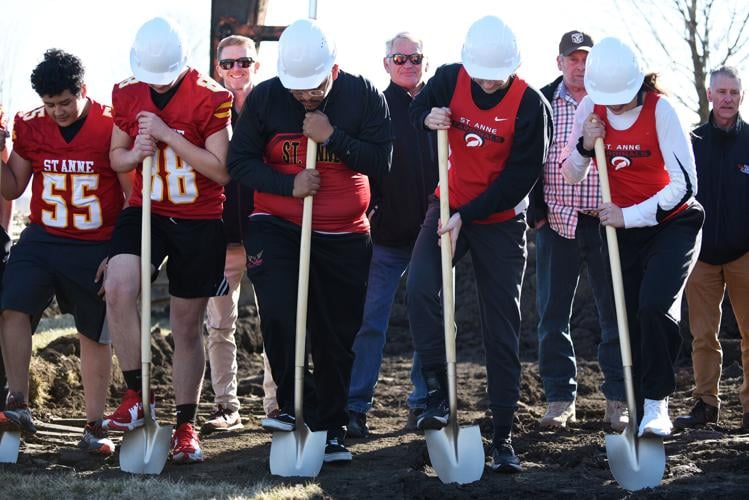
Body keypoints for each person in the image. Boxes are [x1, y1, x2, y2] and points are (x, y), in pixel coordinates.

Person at [227, 18, 391, 464]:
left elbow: (382, 161)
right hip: (276, 224)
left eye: (314, 86)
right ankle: (297, 404)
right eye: (297, 88)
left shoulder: (363, 96)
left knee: (335, 335)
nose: (304, 95)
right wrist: (289, 185)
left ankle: (332, 426)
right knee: (279, 313)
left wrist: (332, 137)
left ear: (332, 69)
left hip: (343, 234)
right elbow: (239, 162)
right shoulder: (264, 98)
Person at [408, 15, 551, 473]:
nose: (487, 81)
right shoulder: (451, 77)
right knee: (420, 287)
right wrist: (426, 116)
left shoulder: (532, 106)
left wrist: (465, 216)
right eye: (480, 72)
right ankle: (436, 393)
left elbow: (517, 182)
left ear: (513, 66)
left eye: (496, 74)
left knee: (501, 325)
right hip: (448, 203)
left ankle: (503, 435)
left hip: (501, 221)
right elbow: (417, 112)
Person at [102, 17, 232, 465]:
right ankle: (137, 391)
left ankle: (184, 423)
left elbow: (220, 170)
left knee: (184, 323)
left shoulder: (211, 96)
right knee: (118, 285)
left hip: (198, 217)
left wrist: (167, 135)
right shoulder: (127, 91)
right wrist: (135, 153)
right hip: (146, 211)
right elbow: (115, 154)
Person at [561, 37, 703, 438]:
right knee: (629, 324)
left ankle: (658, 402)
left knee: (654, 307)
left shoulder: (662, 111)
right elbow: (571, 174)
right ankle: (642, 415)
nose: (616, 105)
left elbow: (687, 184)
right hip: (622, 232)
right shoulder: (590, 107)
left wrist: (628, 215)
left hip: (672, 224)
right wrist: (586, 146)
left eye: (621, 97)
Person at [0, 49, 130, 455]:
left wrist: (120, 250)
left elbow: (133, 195)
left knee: (93, 332)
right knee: (12, 305)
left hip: (95, 242)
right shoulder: (30, 123)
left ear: (83, 91)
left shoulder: (110, 123)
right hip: (44, 236)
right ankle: (18, 402)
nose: (57, 111)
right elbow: (11, 188)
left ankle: (94, 425)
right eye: (50, 103)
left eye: (65, 102)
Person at [527, 30, 626, 430]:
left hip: (604, 221)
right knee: (552, 315)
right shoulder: (542, 102)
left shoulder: (612, 101)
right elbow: (529, 155)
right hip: (557, 219)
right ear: (560, 62)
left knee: (614, 313)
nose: (580, 66)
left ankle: (618, 398)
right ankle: (559, 399)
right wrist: (535, 209)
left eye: (586, 59)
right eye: (573, 59)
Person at [346, 31, 436, 438]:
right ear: (386, 64)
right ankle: (355, 405)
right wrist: (374, 212)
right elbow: (362, 163)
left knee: (431, 322)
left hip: (432, 236)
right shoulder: (374, 107)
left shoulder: (440, 109)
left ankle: (424, 403)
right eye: (399, 59)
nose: (408, 64)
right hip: (385, 236)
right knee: (369, 320)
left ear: (426, 62)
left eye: (415, 57)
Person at [675, 66, 749, 430]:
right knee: (703, 335)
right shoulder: (691, 141)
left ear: (741, 97)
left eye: (734, 92)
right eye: (721, 92)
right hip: (701, 256)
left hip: (744, 255)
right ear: (709, 95)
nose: (727, 99)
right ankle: (706, 404)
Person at [201, 34, 260, 433]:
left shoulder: (272, 106)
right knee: (219, 323)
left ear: (257, 64)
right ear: (218, 67)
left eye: (244, 62)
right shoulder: (208, 111)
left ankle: (278, 404)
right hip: (222, 237)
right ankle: (226, 407)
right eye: (228, 64)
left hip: (268, 233)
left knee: (278, 321)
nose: (236, 70)